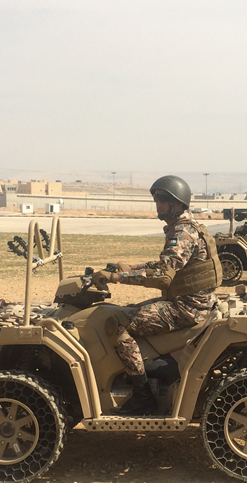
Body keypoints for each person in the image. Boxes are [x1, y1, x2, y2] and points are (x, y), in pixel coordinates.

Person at [91, 175, 220, 416]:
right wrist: (132, 268)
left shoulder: (182, 232)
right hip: (191, 303)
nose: (158, 204)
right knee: (128, 309)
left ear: (178, 203)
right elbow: (167, 264)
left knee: (115, 323)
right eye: (156, 199)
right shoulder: (186, 228)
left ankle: (142, 396)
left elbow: (162, 276)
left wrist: (116, 278)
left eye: (163, 199)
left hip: (186, 308)